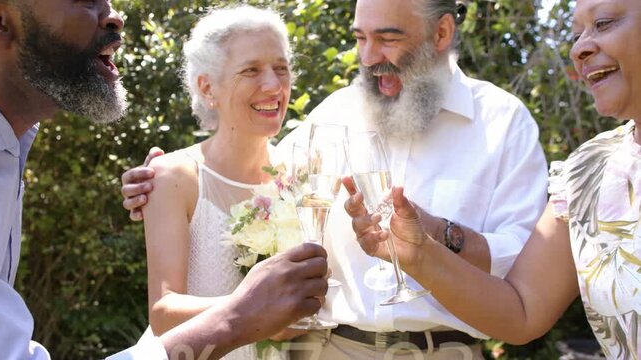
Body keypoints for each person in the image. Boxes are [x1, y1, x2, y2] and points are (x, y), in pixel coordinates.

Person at [122, 0, 548, 358]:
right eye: (361, 39)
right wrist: (157, 180)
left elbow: (524, 272)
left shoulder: (505, 124)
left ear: (441, 33)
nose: (367, 57)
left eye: (387, 38)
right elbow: (258, 182)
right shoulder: (334, 116)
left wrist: (439, 235)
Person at [0, 0, 328, 359]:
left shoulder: (4, 146)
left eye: (281, 68)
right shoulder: (173, 175)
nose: (116, 17)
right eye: (86, 0)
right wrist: (244, 313)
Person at [345, 0, 641, 357]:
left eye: (604, 24)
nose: (579, 48)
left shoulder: (505, 119)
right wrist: (419, 252)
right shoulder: (588, 171)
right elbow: (522, 312)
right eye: (577, 34)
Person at [135, 5, 314, 359]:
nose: (273, 85)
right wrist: (262, 311)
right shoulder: (174, 177)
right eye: (251, 70)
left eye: (281, 68)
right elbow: (163, 314)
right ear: (207, 87)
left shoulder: (301, 176)